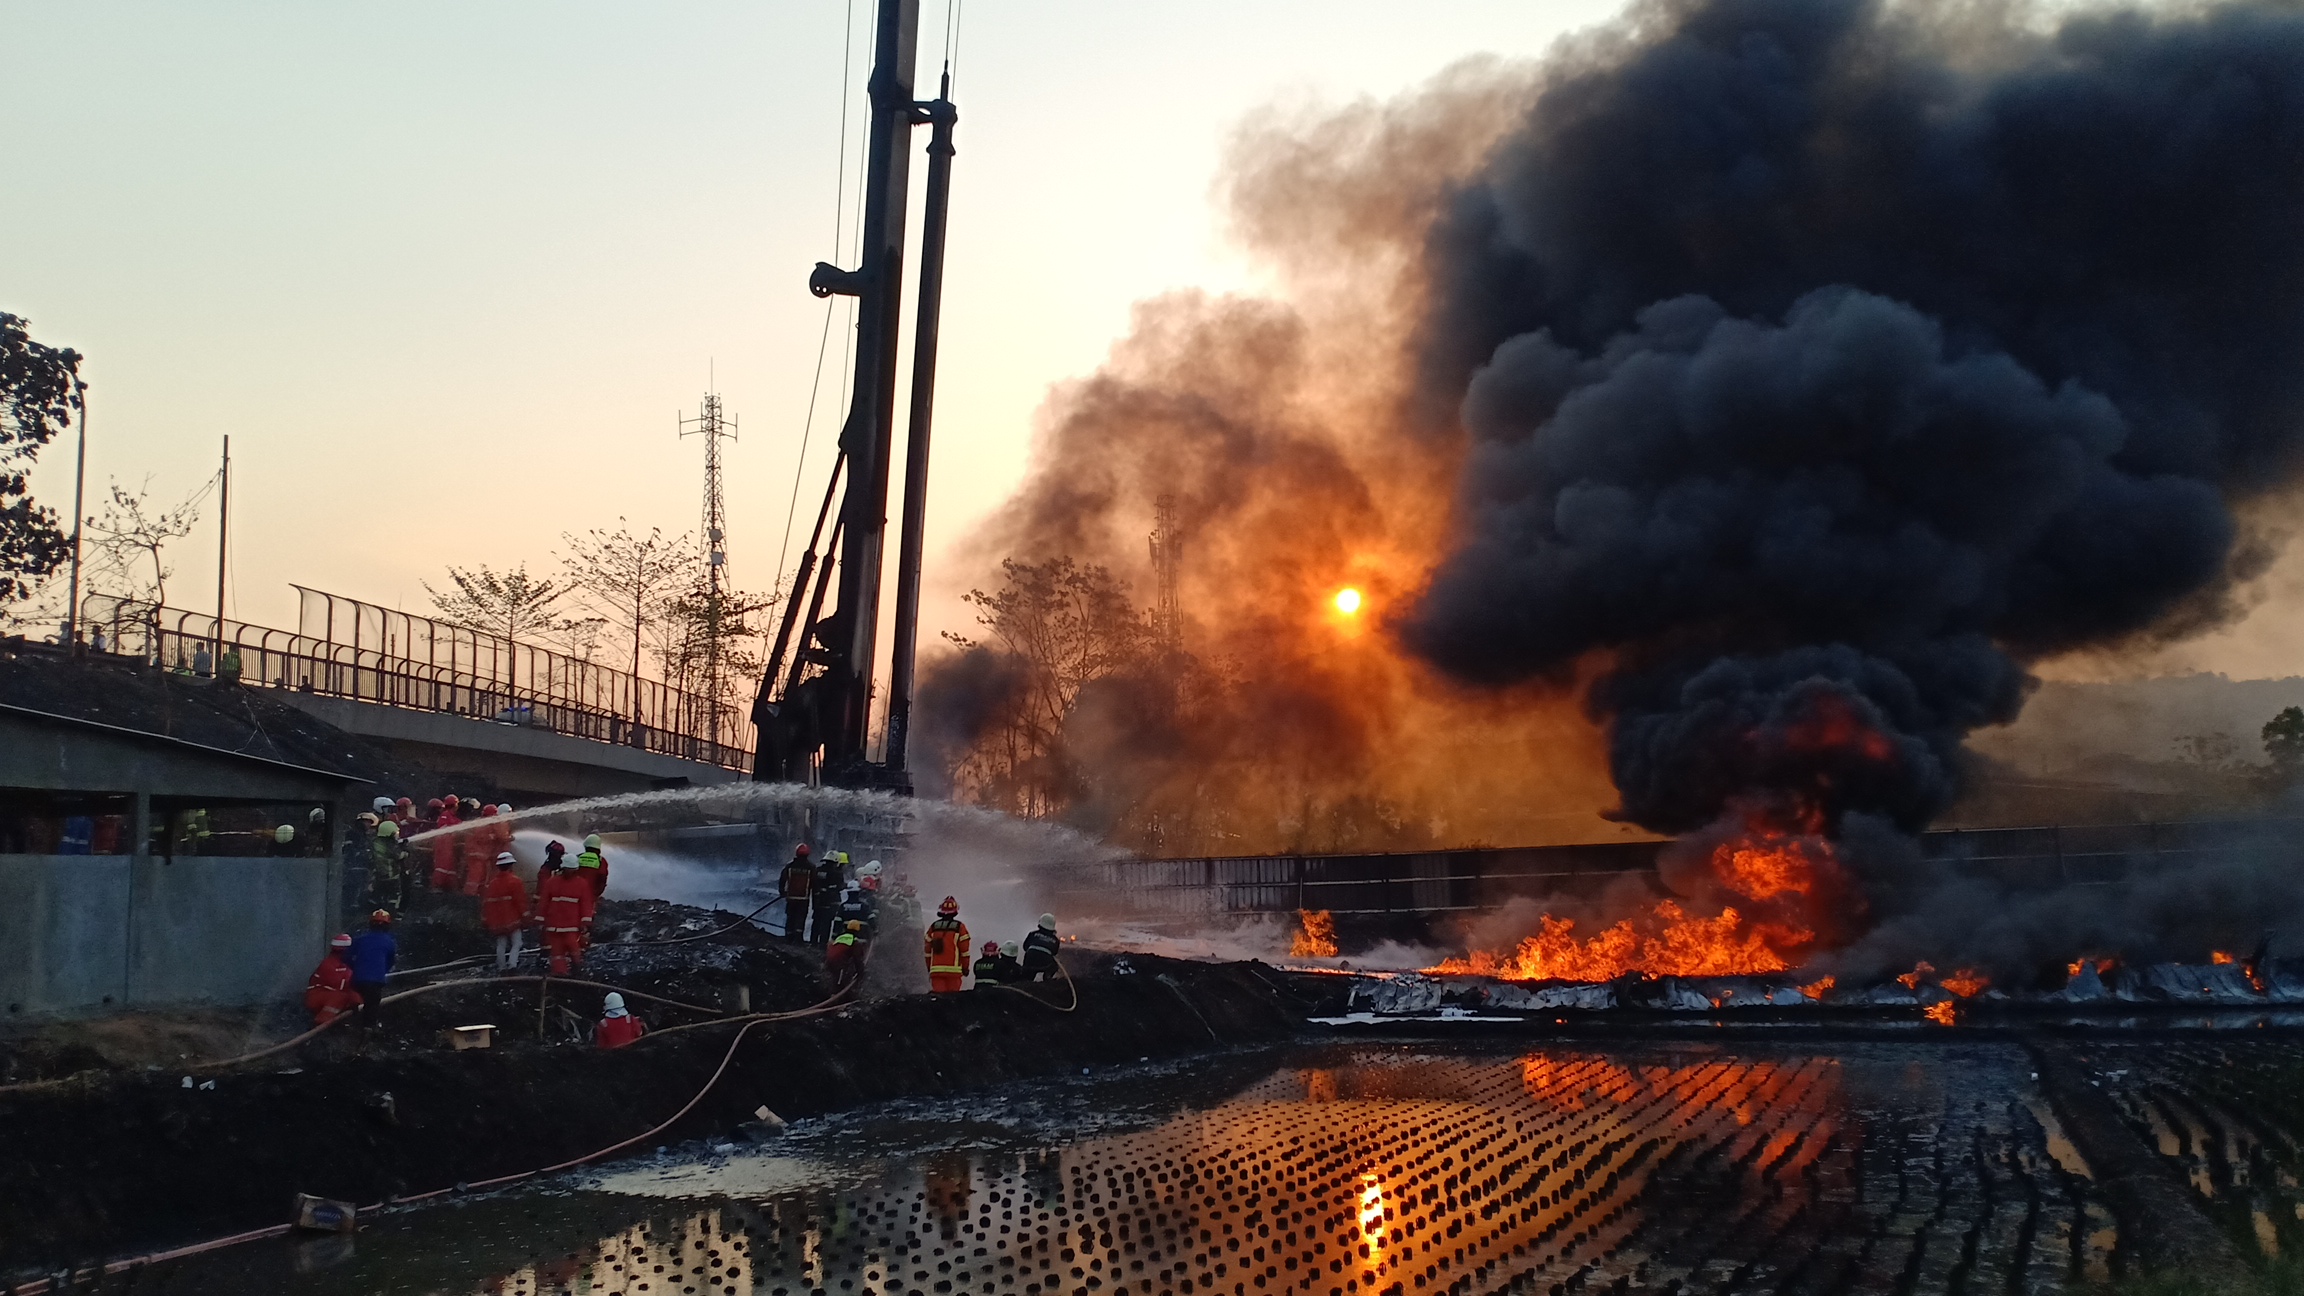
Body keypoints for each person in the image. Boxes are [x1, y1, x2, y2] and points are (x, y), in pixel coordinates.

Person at [536, 851, 596, 976]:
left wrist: (585, 922)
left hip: (570, 924)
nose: (570, 872)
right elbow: (544, 902)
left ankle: (576, 967)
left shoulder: (581, 884)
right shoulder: (552, 882)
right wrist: (540, 920)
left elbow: (585, 903)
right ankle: (560, 973)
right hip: (555, 924)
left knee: (573, 946)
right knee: (557, 951)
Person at [346, 910, 396, 1034]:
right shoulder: (390, 942)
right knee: (372, 1007)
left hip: (357, 980)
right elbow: (390, 962)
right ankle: (367, 1032)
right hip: (375, 982)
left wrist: (355, 967)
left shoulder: (359, 940)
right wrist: (381, 972)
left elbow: (346, 958)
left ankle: (349, 1022)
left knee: (353, 1001)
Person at [482, 851, 531, 972]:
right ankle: (512, 965)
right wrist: (526, 916)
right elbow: (520, 901)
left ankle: (501, 967)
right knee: (517, 943)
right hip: (512, 919)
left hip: (496, 921)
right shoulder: (515, 881)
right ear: (510, 865)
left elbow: (486, 904)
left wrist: (486, 920)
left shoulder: (492, 884)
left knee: (501, 944)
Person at [303, 933, 361, 1026]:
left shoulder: (345, 964)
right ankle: (320, 1023)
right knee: (341, 997)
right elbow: (341, 986)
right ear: (344, 951)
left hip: (329, 996)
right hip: (316, 996)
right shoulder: (328, 965)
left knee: (355, 998)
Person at [924, 896, 971, 994]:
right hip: (954, 971)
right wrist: (965, 968)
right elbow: (964, 951)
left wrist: (929, 966)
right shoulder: (960, 927)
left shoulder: (933, 927)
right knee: (952, 1000)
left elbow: (927, 950)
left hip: (936, 970)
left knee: (938, 999)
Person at [779, 844, 816, 942]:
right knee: (800, 918)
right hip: (804, 899)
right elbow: (814, 883)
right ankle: (798, 939)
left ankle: (788, 937)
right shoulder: (811, 867)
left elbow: (782, 879)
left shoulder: (790, 866)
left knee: (790, 916)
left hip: (791, 897)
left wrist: (782, 892)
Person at [367, 819, 405, 911]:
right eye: (395, 832)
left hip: (378, 876)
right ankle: (391, 913)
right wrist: (405, 851)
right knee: (394, 896)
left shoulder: (376, 842)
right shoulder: (390, 844)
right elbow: (399, 856)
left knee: (378, 895)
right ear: (390, 833)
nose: (397, 834)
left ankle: (374, 912)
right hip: (391, 876)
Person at [813, 851, 849, 945]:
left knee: (816, 921)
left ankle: (813, 941)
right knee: (826, 923)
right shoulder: (837, 873)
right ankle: (822, 943)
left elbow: (814, 884)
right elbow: (839, 886)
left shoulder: (818, 870)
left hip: (818, 901)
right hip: (830, 902)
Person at [430, 797, 463, 889]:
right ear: (454, 805)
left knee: (450, 867)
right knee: (442, 867)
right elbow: (443, 827)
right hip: (444, 845)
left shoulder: (454, 818)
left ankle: (448, 887)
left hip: (450, 846)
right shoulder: (445, 815)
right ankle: (437, 886)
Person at [1021, 914, 1063, 981]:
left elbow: (1025, 947)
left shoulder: (1032, 934)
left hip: (1030, 958)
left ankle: (1025, 980)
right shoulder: (1055, 940)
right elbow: (1054, 952)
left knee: (1027, 974)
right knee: (1055, 964)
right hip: (1045, 962)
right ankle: (1047, 977)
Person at [826, 919, 866, 988]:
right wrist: (860, 973)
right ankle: (837, 992)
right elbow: (857, 959)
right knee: (839, 984)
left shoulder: (839, 938)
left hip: (829, 962)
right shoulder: (854, 941)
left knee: (833, 979)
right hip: (839, 964)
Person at [575, 832, 609, 898]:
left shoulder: (577, 857)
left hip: (575, 893)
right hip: (591, 895)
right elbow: (602, 880)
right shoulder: (601, 861)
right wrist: (595, 894)